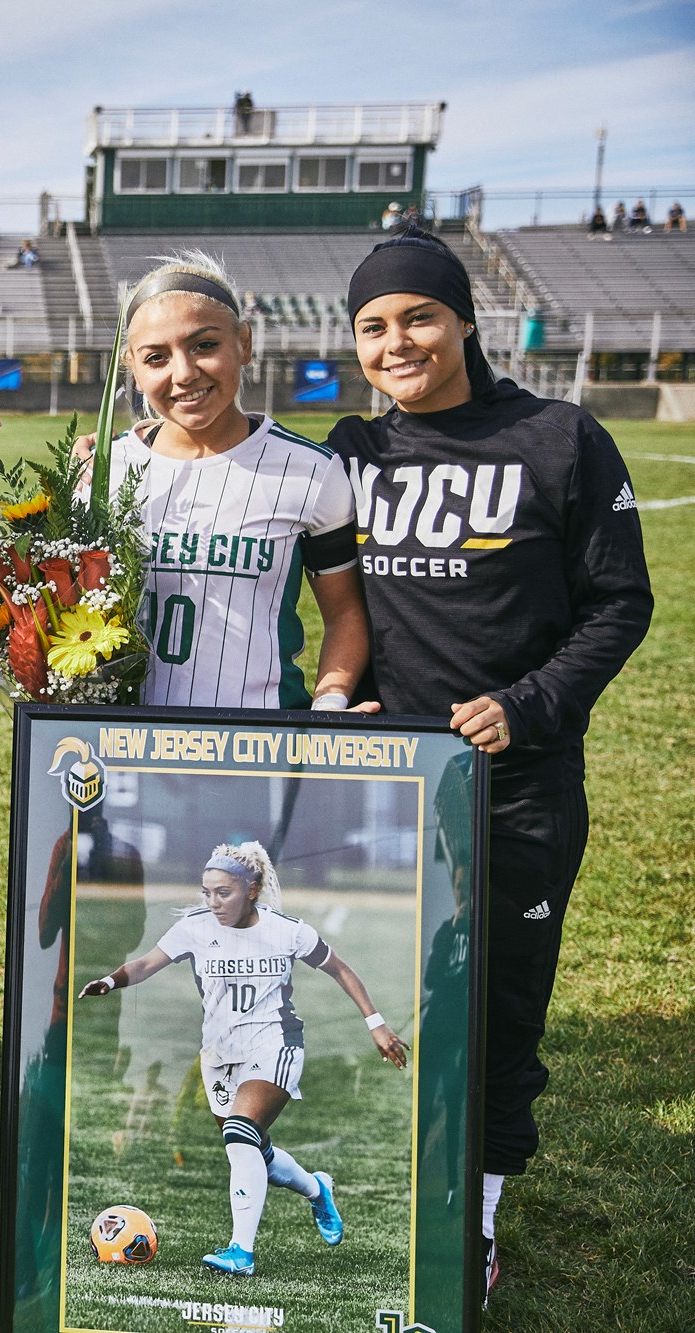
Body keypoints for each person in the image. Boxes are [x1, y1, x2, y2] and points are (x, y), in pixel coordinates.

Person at [334, 224, 651, 1304]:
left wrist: (527, 706)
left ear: (462, 318)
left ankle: (470, 1219)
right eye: (371, 326)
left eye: (417, 316)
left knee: (499, 1008)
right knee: (385, 995)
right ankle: (388, 1177)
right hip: (384, 788)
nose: (396, 341)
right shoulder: (349, 451)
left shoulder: (557, 438)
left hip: (514, 786)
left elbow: (619, 603)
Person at [80, 841, 409, 1276]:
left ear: (251, 889)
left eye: (224, 893)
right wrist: (109, 981)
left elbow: (341, 969)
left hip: (276, 1043)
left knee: (240, 1135)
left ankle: (241, 1252)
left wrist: (377, 1024)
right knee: (254, 1152)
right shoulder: (195, 928)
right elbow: (144, 965)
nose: (214, 902)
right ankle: (317, 1189)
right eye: (207, 892)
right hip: (219, 1054)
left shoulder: (286, 931)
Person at [106, 253, 371, 711]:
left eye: (204, 345)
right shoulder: (101, 471)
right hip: (128, 747)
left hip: (256, 748)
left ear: (244, 343)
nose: (184, 373)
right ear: (132, 366)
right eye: (156, 358)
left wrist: (330, 705)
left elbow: (346, 613)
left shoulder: (310, 471)